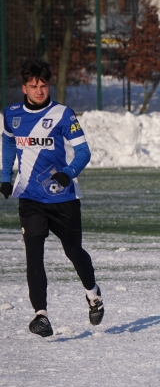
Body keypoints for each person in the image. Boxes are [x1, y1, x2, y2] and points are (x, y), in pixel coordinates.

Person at [1, 59, 103, 337]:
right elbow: (9, 141)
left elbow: (84, 152)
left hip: (63, 200)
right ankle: (41, 315)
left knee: (74, 252)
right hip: (30, 198)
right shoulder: (11, 114)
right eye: (33, 86)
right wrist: (5, 176)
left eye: (43, 86)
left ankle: (93, 294)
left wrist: (67, 173)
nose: (38, 90)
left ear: (49, 86)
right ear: (24, 87)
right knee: (34, 257)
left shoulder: (63, 114)